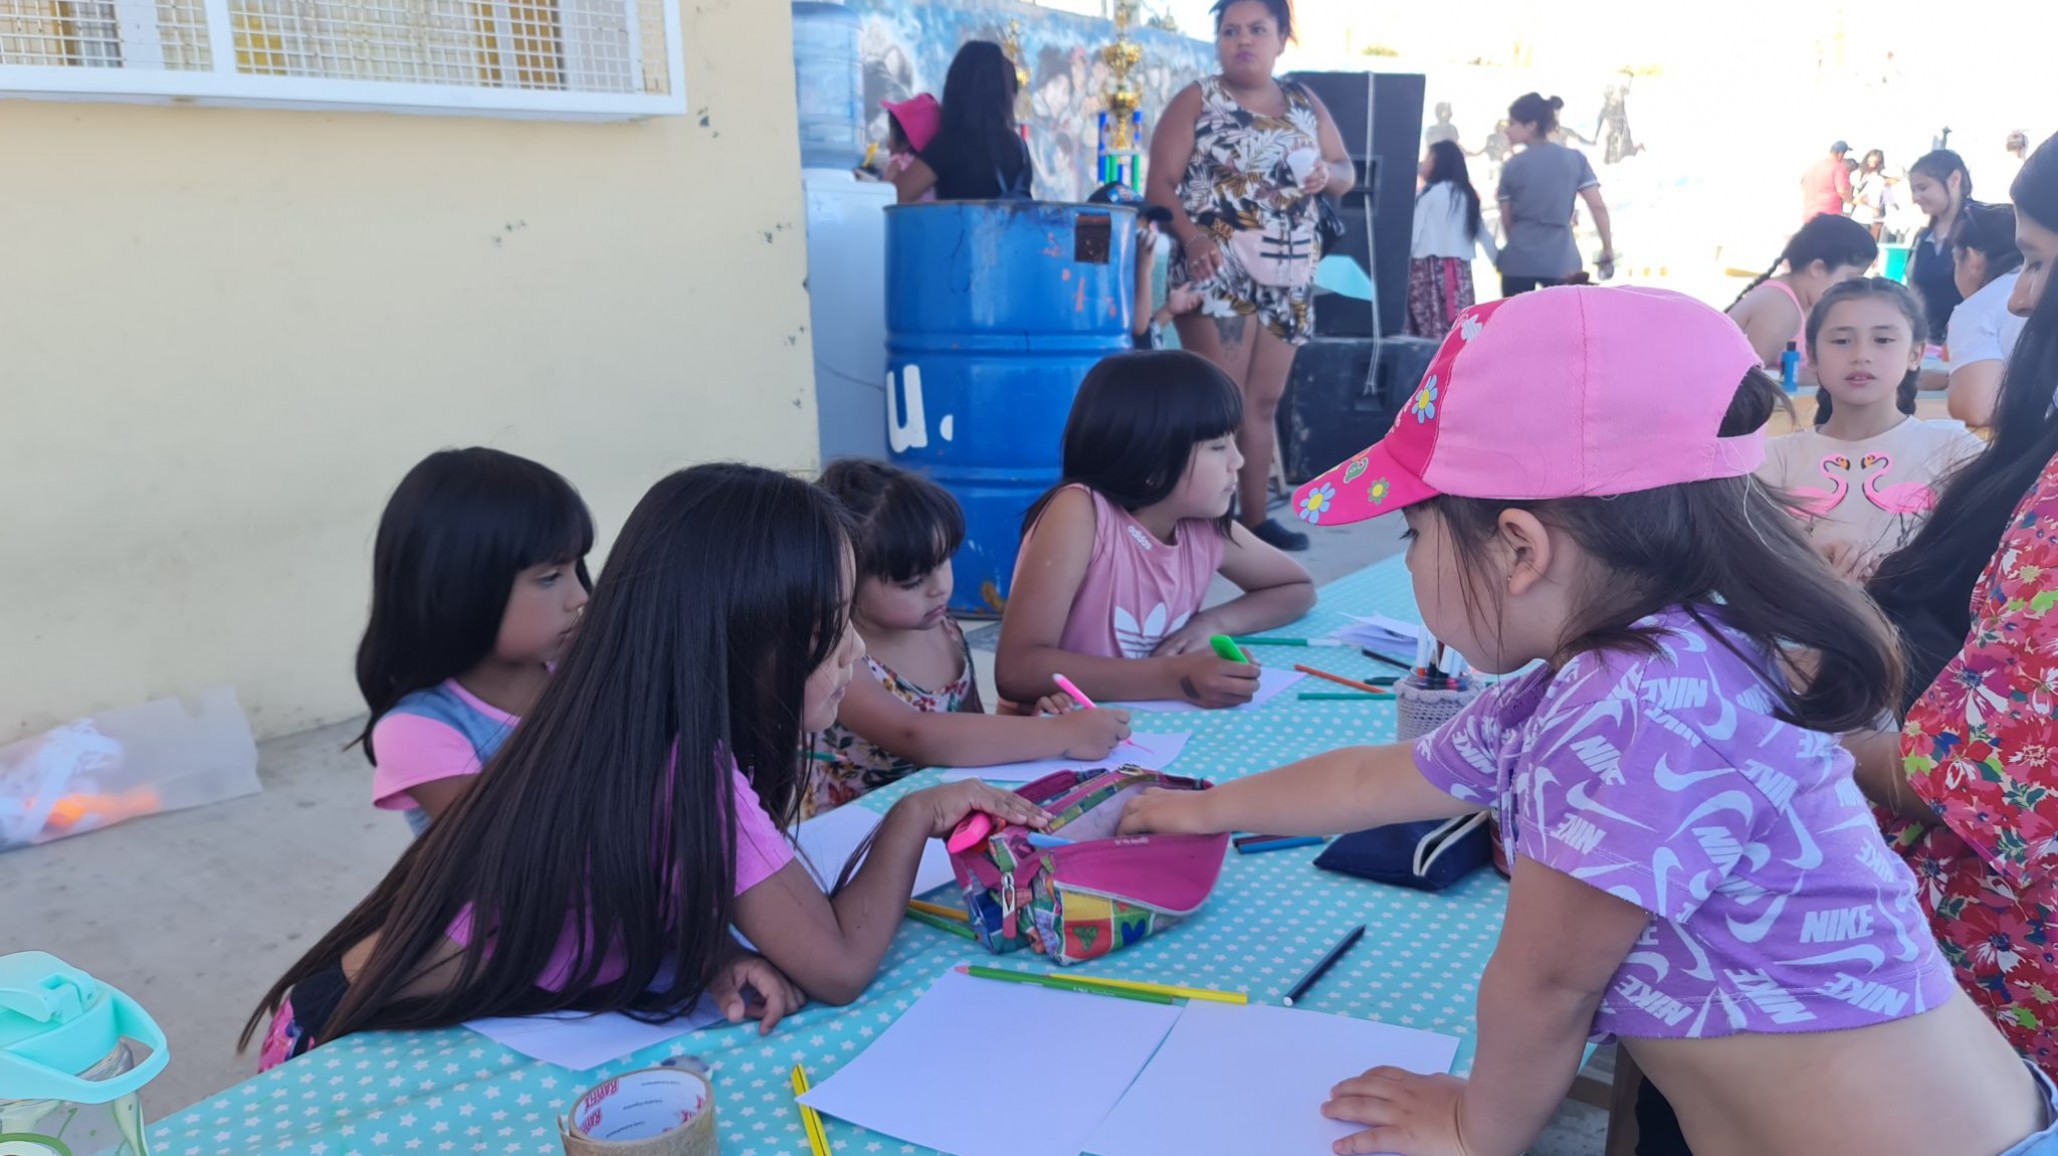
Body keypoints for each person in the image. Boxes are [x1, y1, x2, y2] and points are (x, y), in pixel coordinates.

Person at [1119, 286, 2054, 1156]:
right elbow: (1374, 779)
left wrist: (1474, 1126)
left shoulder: (1636, 703)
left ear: (1520, 546)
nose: (1407, 563)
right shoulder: (1613, 669)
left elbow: (1547, 986)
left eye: (1415, 533)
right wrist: (1194, 809)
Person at [243, 464, 1050, 1067]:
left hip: (357, 1010)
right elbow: (838, 965)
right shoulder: (683, 768)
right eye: (832, 625)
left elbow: (613, 889)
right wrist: (916, 815)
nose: (854, 654)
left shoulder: (632, 728)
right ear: (745, 641)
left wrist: (711, 955)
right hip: (340, 1041)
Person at [1851, 133, 2058, 1080]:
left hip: (1988, 1005)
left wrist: (1791, 738)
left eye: (2040, 263)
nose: (2019, 298)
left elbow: (1974, 782)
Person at [1146, 0, 1356, 553]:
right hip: (1216, 271)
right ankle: (1204, 526)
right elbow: (1160, 187)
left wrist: (1324, 174)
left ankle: (1254, 524)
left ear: (1282, 38)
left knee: (1262, 405)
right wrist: (1192, 239)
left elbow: (1345, 172)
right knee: (1221, 405)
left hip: (1288, 278)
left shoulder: (1303, 101)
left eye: (1257, 29)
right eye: (1230, 30)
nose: (1243, 40)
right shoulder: (1197, 99)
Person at [995, 349, 1315, 711]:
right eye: (1217, 446)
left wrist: (1210, 623)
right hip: (1055, 741)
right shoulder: (1081, 512)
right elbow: (1017, 669)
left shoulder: (1200, 525)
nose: (1237, 461)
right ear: (1153, 463)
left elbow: (1296, 588)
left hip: (1144, 733)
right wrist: (1176, 676)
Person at [807, 459, 1131, 814]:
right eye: (912, 582)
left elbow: (972, 729)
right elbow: (917, 734)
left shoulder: (945, 629)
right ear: (845, 578)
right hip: (861, 831)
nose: (939, 589)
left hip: (950, 816)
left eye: (943, 562)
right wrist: (1064, 736)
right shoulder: (841, 656)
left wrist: (1035, 721)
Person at [354, 448, 592, 836]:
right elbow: (513, 851)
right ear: (461, 590)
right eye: (550, 577)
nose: (581, 596)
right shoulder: (419, 730)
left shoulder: (578, 672)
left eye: (576, 568)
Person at [1759, 279, 1983, 582]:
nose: (1861, 355)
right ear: (1812, 356)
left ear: (1915, 354)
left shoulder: (1955, 451)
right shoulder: (1775, 459)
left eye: (1883, 340)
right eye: (1841, 341)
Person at [1724, 213, 1878, 384]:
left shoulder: (1805, 301)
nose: (1850, 289)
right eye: (1850, 278)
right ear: (1817, 269)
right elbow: (1743, 383)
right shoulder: (1778, 307)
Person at [1495, 93, 1614, 296]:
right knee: (1562, 325)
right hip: (1562, 260)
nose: (1507, 129)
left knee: (1516, 325)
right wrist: (1607, 248)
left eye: (1512, 123)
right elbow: (1597, 206)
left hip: (1518, 261)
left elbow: (1507, 220)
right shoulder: (1575, 159)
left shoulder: (1512, 166)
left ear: (1531, 125)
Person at [893, 41, 1033, 203]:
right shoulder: (1019, 149)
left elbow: (896, 196)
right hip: (1012, 229)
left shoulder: (950, 144)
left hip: (960, 228)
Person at [1088, 182, 1203, 350]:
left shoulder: (1126, 273)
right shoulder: (1100, 277)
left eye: (1147, 226)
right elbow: (1138, 327)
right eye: (1136, 227)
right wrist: (1144, 268)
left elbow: (1147, 330)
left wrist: (1169, 310)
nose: (1146, 234)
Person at [1946, 202, 2029, 426]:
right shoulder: (2043, 290)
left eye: (1955, 260)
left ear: (1972, 259)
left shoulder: (1979, 308)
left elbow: (1976, 409)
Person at [1407, 140, 1497, 339]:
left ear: (1439, 161)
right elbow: (1482, 232)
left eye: (1428, 157)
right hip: (1459, 269)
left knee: (1427, 322)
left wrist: (1402, 260)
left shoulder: (1429, 195)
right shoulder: (1467, 195)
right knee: (1458, 323)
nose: (1423, 163)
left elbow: (1413, 233)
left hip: (1427, 267)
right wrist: (1499, 261)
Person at [1907, 149, 1980, 338]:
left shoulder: (1982, 228)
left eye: (1923, 188)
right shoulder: (1924, 237)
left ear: (1954, 179)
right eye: (1913, 190)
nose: (1915, 198)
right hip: (1928, 343)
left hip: (1969, 340)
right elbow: (1913, 289)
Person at [880, 93, 939, 203]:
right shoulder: (930, 172)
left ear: (905, 143)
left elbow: (883, 192)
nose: (888, 143)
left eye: (892, 134)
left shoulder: (898, 162)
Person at [1801, 141, 1855, 223]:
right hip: (1829, 213)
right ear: (1840, 154)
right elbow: (1842, 190)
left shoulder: (1815, 166)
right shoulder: (1838, 167)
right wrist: (1851, 200)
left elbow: (1803, 184)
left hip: (1809, 212)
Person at [1852, 148, 1896, 240]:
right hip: (1863, 218)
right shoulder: (1872, 179)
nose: (1871, 164)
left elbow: (1889, 202)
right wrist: (1873, 208)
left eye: (1874, 162)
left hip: (1872, 220)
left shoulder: (1879, 179)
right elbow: (1856, 200)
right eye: (1869, 161)